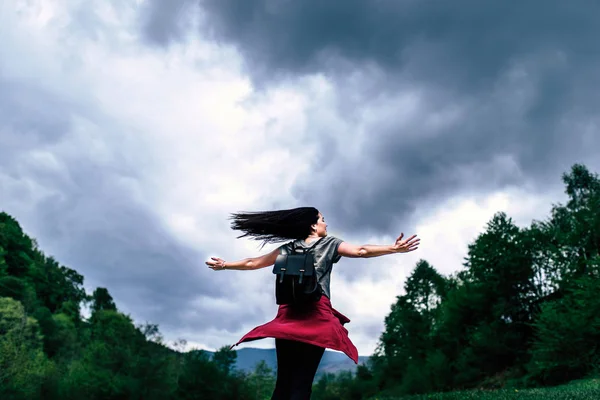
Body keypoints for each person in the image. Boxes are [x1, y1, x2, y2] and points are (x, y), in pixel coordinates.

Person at [206, 207, 419, 400]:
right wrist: (393, 249)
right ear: (313, 225)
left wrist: (225, 265)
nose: (326, 223)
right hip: (316, 318)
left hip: (287, 319)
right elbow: (361, 251)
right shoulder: (330, 243)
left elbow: (253, 263)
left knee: (283, 384)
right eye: (323, 219)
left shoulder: (287, 248)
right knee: (301, 384)